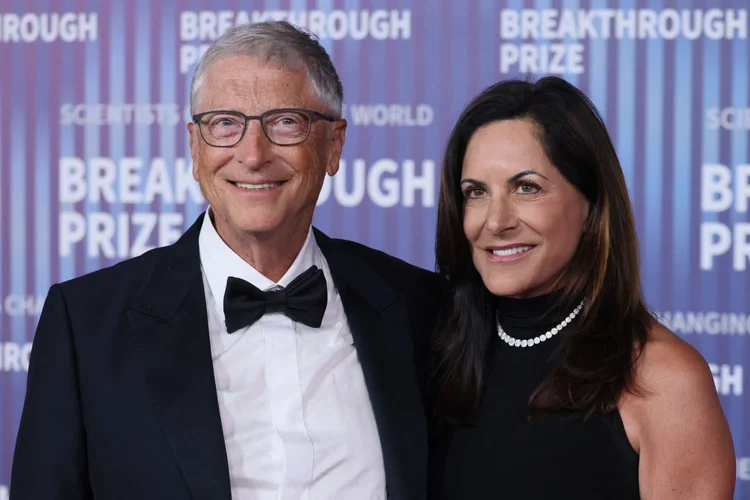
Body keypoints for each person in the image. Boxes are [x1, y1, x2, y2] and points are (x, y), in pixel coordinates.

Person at [11, 21, 443, 500]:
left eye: (285, 122)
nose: (252, 154)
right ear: (195, 149)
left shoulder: (418, 306)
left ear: (333, 145)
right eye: (225, 124)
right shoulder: (86, 324)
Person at [429, 77, 736, 499]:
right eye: (475, 192)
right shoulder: (437, 353)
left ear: (591, 201)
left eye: (526, 187)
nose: (496, 221)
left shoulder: (663, 378)